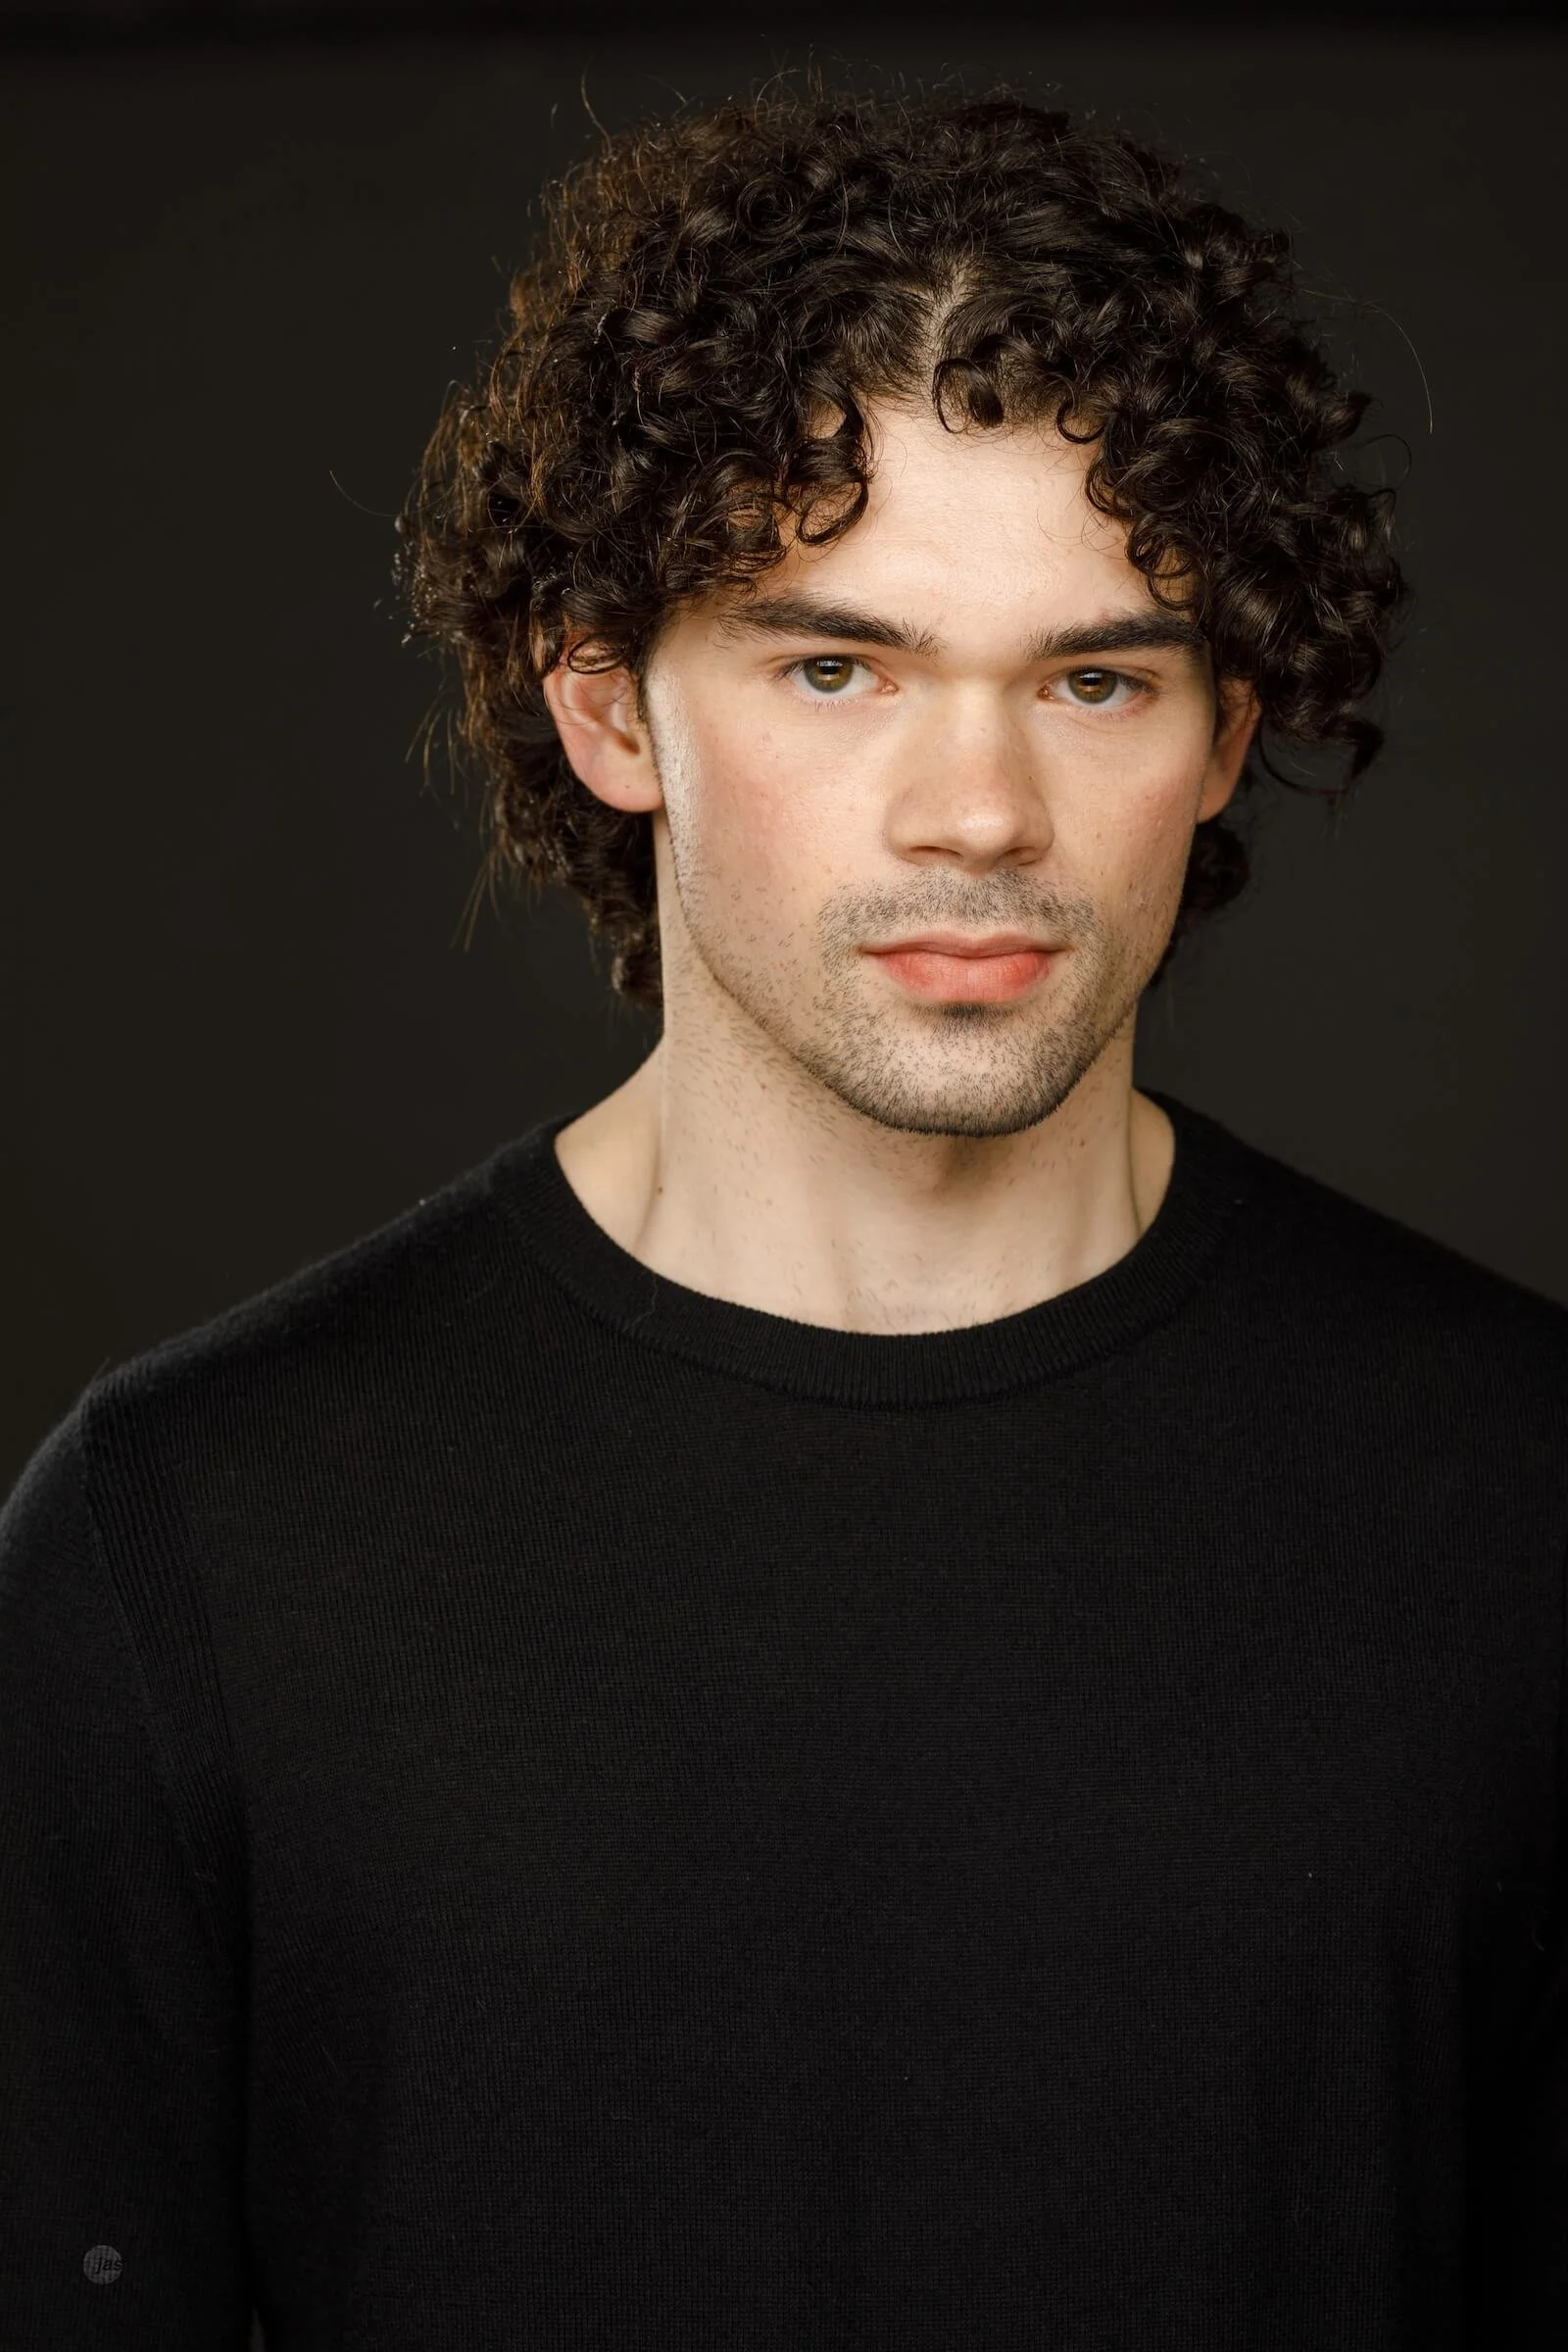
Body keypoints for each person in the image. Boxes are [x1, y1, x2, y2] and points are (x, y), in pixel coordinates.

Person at [2, 79, 1563, 2352]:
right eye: (833, 665)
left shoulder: (1520, 1502)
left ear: (1223, 738)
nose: (974, 811)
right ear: (605, 706)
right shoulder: (184, 1544)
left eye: (1093, 677)